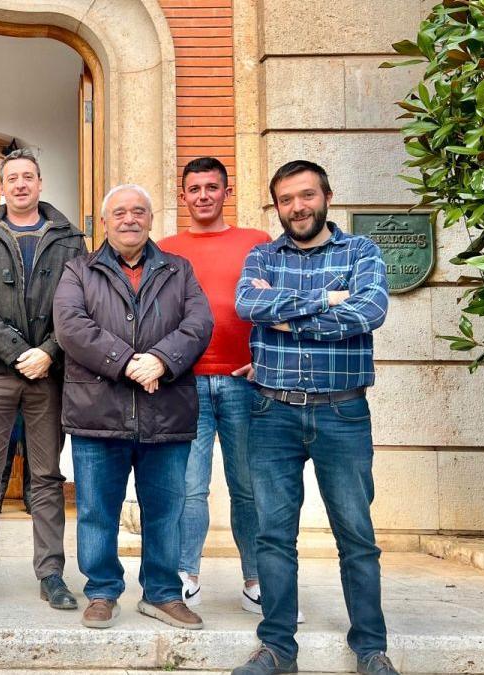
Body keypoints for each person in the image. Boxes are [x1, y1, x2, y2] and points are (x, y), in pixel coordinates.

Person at [232, 160, 396, 675]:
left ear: (326, 195)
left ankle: (371, 648)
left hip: (342, 412)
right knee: (273, 535)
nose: (297, 207)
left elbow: (369, 312)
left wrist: (284, 317)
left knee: (356, 535)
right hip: (272, 410)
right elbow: (245, 305)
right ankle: (278, 648)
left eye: (306, 196)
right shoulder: (261, 255)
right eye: (285, 199)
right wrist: (326, 299)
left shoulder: (362, 251)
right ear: (276, 205)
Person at [53, 183, 213, 630]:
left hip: (167, 412)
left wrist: (162, 360)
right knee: (96, 511)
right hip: (98, 413)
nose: (129, 219)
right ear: (104, 222)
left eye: (138, 211)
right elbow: (70, 326)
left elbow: (199, 323)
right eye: (119, 212)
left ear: (150, 218)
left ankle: (162, 594)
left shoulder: (180, 270)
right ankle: (102, 591)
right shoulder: (78, 270)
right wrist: (126, 363)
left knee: (166, 510)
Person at [0, 148, 87, 611]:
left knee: (46, 477)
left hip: (49, 375)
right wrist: (16, 352)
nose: (21, 184)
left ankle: (51, 574)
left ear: (40, 184)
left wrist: (47, 352)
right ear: (1, 187)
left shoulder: (69, 238)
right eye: (13, 178)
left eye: (29, 177)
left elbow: (78, 305)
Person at [159, 157, 283, 616]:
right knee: (189, 487)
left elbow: (279, 303)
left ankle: (256, 580)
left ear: (226, 191)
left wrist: (265, 359)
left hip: (245, 382)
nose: (203, 195)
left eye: (212, 187)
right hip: (186, 384)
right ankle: (186, 576)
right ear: (184, 195)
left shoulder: (257, 242)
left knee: (249, 487)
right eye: (195, 188)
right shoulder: (166, 248)